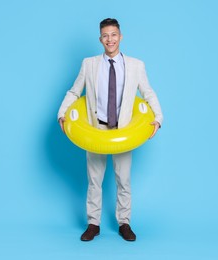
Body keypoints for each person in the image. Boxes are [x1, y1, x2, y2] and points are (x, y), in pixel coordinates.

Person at [57, 18, 163, 242]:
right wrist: (62, 113)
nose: (110, 39)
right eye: (105, 35)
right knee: (94, 180)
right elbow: (75, 92)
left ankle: (125, 223)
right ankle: (93, 224)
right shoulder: (89, 64)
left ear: (120, 36)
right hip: (96, 130)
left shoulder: (136, 65)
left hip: (124, 131)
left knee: (123, 180)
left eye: (114, 34)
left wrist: (158, 119)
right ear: (100, 39)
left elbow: (148, 93)